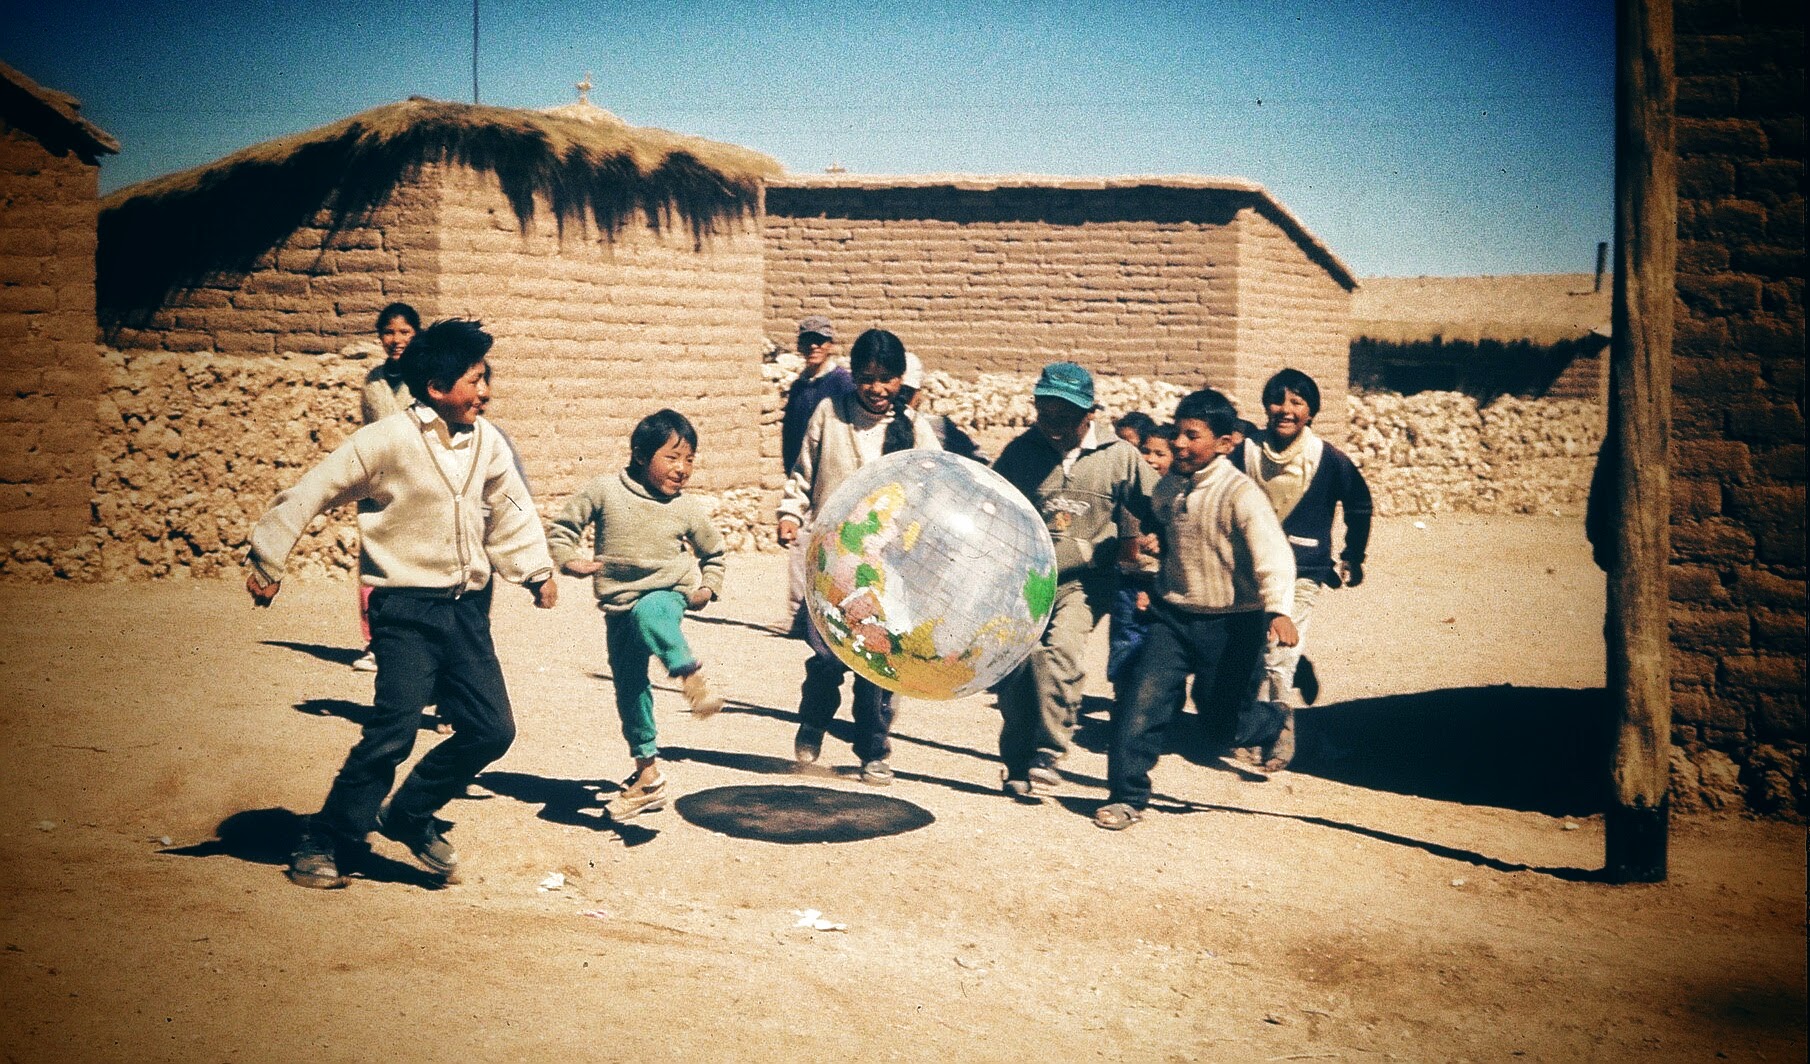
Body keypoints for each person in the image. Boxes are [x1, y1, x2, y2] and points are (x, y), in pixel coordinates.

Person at [246, 318, 557, 887]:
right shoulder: (386, 439)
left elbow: (510, 507)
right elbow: (314, 488)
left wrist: (535, 572)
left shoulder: (487, 441)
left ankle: (410, 814)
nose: (485, 391)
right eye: (475, 379)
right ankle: (325, 839)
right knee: (394, 731)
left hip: (465, 609)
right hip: (404, 609)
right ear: (437, 387)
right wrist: (268, 558)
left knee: (492, 729)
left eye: (486, 378)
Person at [1095, 389, 1297, 831]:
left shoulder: (1240, 494)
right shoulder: (1169, 486)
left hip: (1232, 623)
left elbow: (1274, 556)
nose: (1180, 444)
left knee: (1221, 727)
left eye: (1193, 436)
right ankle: (1127, 797)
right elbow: (1167, 535)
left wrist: (1278, 610)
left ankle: (1271, 720)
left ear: (1226, 443)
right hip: (1173, 617)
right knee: (1139, 705)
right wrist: (1153, 562)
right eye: (1177, 434)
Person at [546, 409, 728, 822]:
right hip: (617, 606)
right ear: (641, 455)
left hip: (666, 593)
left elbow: (714, 552)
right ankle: (647, 775)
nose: (682, 469)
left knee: (651, 612)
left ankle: (692, 678)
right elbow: (563, 528)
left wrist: (707, 588)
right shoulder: (605, 491)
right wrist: (569, 560)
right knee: (629, 688)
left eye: (690, 459)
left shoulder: (686, 509)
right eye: (673, 457)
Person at [776, 328, 940, 785]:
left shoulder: (916, 430)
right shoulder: (831, 414)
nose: (877, 388)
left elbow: (937, 490)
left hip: (887, 567)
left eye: (887, 378)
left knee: (876, 662)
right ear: (855, 377)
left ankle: (873, 750)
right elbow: (803, 474)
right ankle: (813, 723)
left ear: (900, 379)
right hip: (831, 562)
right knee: (829, 657)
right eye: (867, 377)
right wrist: (791, 513)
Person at [991, 362, 1157, 800]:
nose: (1055, 424)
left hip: (1085, 581)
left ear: (1089, 413)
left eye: (1066, 414)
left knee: (1060, 650)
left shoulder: (1118, 456)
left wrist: (1151, 543)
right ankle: (1016, 761)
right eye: (1046, 412)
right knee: (1016, 668)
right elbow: (994, 511)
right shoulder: (1021, 453)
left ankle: (1048, 752)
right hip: (1028, 579)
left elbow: (1159, 502)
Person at [1228, 368, 1372, 772]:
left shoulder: (1327, 459)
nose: (1285, 410)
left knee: (1278, 653)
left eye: (1297, 402)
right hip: (1249, 570)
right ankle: (1250, 723)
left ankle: (1279, 731)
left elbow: (1359, 504)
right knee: (1248, 649)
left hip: (1303, 571)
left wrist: (1352, 555)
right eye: (1278, 400)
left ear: (1311, 411)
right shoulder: (1245, 453)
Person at [350, 303, 422, 673]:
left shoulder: (427, 377)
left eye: (405, 332)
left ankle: (408, 644)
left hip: (418, 484)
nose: (396, 340)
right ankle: (374, 643)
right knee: (374, 564)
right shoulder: (373, 381)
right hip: (377, 485)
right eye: (389, 332)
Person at [780, 315, 855, 636]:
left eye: (820, 341)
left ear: (830, 345)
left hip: (832, 476)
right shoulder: (800, 386)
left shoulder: (841, 384)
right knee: (801, 542)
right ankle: (800, 615)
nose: (814, 346)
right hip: (804, 476)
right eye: (808, 340)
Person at [1106, 422, 1175, 706]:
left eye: (1160, 454)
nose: (1150, 459)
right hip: (1129, 584)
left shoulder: (1177, 496)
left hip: (1164, 588)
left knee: (1164, 654)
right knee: (1126, 644)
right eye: (1145, 451)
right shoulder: (1129, 495)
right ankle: (1124, 705)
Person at [899, 351, 986, 463]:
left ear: (919, 393)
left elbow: (979, 459)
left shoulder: (936, 426)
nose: (900, 400)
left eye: (906, 393)